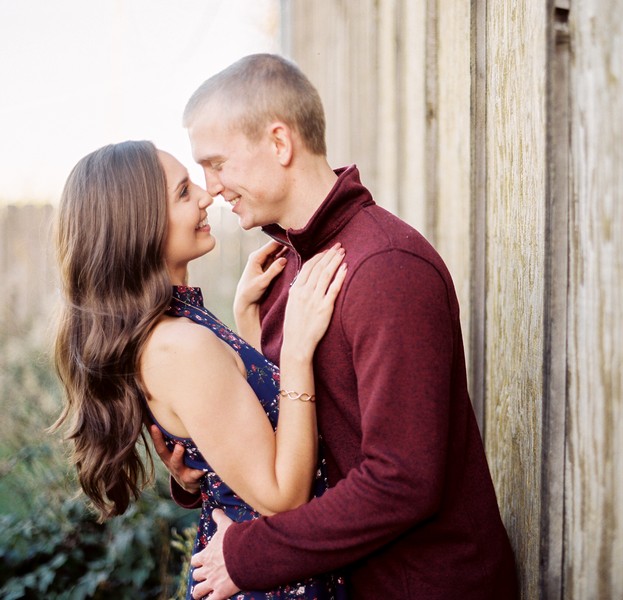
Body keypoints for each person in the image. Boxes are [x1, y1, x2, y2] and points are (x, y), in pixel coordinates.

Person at [162, 53, 520, 600]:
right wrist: (204, 468)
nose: (211, 188)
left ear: (279, 143)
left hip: (426, 584)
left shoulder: (386, 268)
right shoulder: (287, 269)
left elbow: (402, 482)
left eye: (217, 163)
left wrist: (251, 555)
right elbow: (294, 436)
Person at [52, 140, 348, 599]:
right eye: (184, 192)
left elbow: (251, 419)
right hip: (269, 582)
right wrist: (295, 354)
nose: (207, 196)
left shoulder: (173, 324)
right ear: (140, 227)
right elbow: (280, 496)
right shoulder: (179, 347)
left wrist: (246, 319)